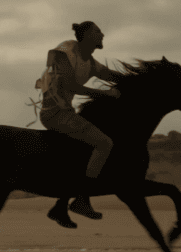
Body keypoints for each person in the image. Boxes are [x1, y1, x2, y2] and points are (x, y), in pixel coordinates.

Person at [34, 20, 123, 225]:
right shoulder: (64, 52)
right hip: (54, 114)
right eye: (98, 31)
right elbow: (69, 83)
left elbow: (112, 76)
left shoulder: (90, 63)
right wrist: (104, 94)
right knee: (104, 143)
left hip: (67, 113)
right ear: (86, 36)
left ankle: (60, 206)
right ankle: (82, 199)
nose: (102, 35)